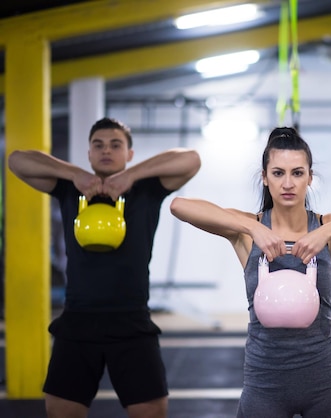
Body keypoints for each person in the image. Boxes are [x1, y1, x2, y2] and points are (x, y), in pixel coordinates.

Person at [169, 126, 331, 417]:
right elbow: (180, 205)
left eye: (297, 173)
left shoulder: (329, 228)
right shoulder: (246, 231)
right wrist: (253, 227)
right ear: (265, 178)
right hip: (264, 382)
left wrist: (325, 232)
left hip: (324, 380)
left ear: (309, 178)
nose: (288, 183)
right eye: (278, 173)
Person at [8, 117, 201, 418]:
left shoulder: (147, 189)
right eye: (98, 145)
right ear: (88, 154)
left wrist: (131, 177)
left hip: (132, 321)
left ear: (129, 154)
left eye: (115, 145)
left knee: (151, 412)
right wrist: (75, 175)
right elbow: (17, 160)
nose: (106, 150)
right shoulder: (70, 190)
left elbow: (191, 159)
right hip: (78, 320)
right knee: (61, 412)